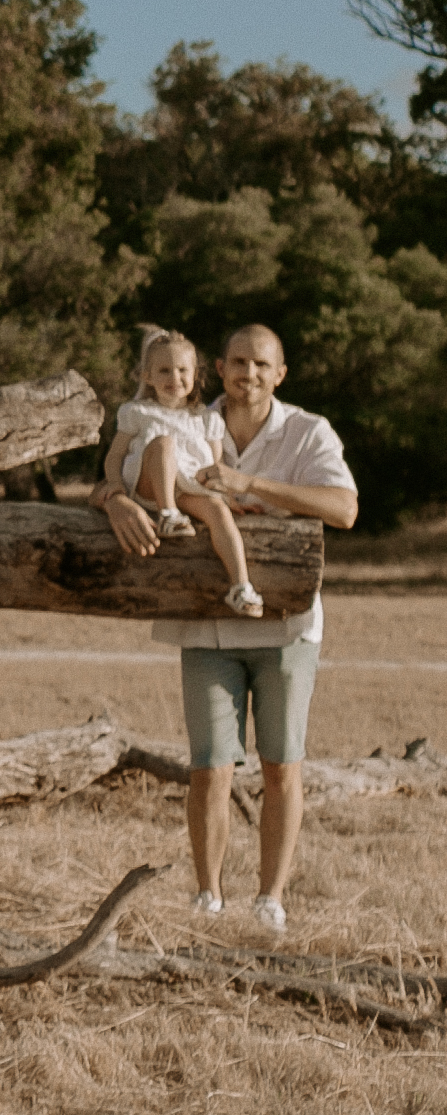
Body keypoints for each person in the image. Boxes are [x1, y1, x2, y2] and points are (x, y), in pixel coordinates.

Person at [94, 324, 359, 934]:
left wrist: (251, 485)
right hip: (203, 623)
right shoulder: (182, 415)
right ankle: (207, 896)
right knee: (209, 767)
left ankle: (270, 899)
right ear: (219, 367)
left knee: (280, 765)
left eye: (261, 365)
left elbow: (345, 510)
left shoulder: (307, 431)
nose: (249, 375)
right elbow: (113, 471)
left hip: (288, 626)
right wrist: (116, 503)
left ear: (280, 373)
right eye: (238, 363)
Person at [98, 326, 259, 616]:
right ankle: (168, 514)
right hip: (149, 487)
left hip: (190, 487)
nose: (175, 378)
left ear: (196, 374)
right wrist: (115, 486)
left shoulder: (206, 418)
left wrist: (229, 498)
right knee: (164, 443)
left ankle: (240, 587)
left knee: (218, 513)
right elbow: (114, 456)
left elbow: (215, 466)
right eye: (164, 371)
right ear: (147, 376)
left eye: (183, 370)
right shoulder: (138, 412)